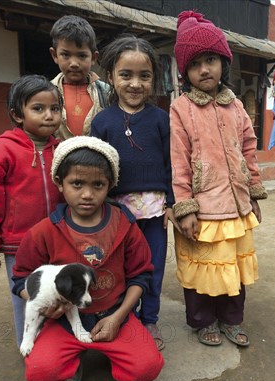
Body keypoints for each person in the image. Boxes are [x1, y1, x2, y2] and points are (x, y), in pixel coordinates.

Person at [11, 136, 164, 381]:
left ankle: (108, 352)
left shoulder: (125, 225)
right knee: (40, 374)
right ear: (60, 183)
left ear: (110, 185)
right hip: (62, 323)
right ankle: (74, 357)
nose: (87, 194)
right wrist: (46, 307)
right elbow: (20, 279)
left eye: (98, 185)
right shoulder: (44, 231)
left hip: (114, 316)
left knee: (147, 367)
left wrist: (117, 318)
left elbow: (141, 276)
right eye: (77, 183)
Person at [169, 11, 268, 347]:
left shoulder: (236, 105)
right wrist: (185, 208)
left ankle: (230, 319)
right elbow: (178, 161)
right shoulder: (180, 109)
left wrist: (252, 192)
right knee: (203, 269)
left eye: (210, 59)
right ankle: (202, 321)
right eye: (195, 64)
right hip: (203, 208)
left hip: (237, 206)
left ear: (224, 62)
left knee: (233, 270)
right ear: (185, 72)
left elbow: (249, 150)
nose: (204, 69)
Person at [90, 34, 178, 351]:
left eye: (144, 76)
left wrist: (171, 202)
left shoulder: (161, 120)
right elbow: (95, 169)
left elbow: (172, 164)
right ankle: (122, 317)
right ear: (111, 76)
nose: (135, 84)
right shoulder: (102, 122)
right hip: (116, 212)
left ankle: (149, 320)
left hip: (154, 210)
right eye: (126, 75)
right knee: (120, 267)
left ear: (154, 78)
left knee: (152, 265)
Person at [0, 75, 64, 347]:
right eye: (38, 109)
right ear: (17, 114)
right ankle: (29, 347)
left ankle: (58, 348)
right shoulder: (0, 152)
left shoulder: (62, 150)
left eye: (55, 109)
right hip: (18, 244)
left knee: (58, 294)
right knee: (26, 297)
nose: (49, 116)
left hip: (57, 239)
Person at [49, 15, 110, 138]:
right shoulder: (47, 92)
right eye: (65, 55)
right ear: (55, 55)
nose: (74, 64)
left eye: (82, 56)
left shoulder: (105, 92)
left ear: (93, 58)